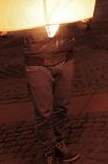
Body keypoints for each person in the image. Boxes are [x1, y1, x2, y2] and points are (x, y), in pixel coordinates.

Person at [22, 22, 84, 163]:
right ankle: (47, 149)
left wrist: (84, 21)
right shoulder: (25, 1)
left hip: (65, 58)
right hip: (37, 63)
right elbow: (11, 24)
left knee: (61, 106)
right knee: (43, 112)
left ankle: (58, 142)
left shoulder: (66, 0)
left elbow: (81, 23)